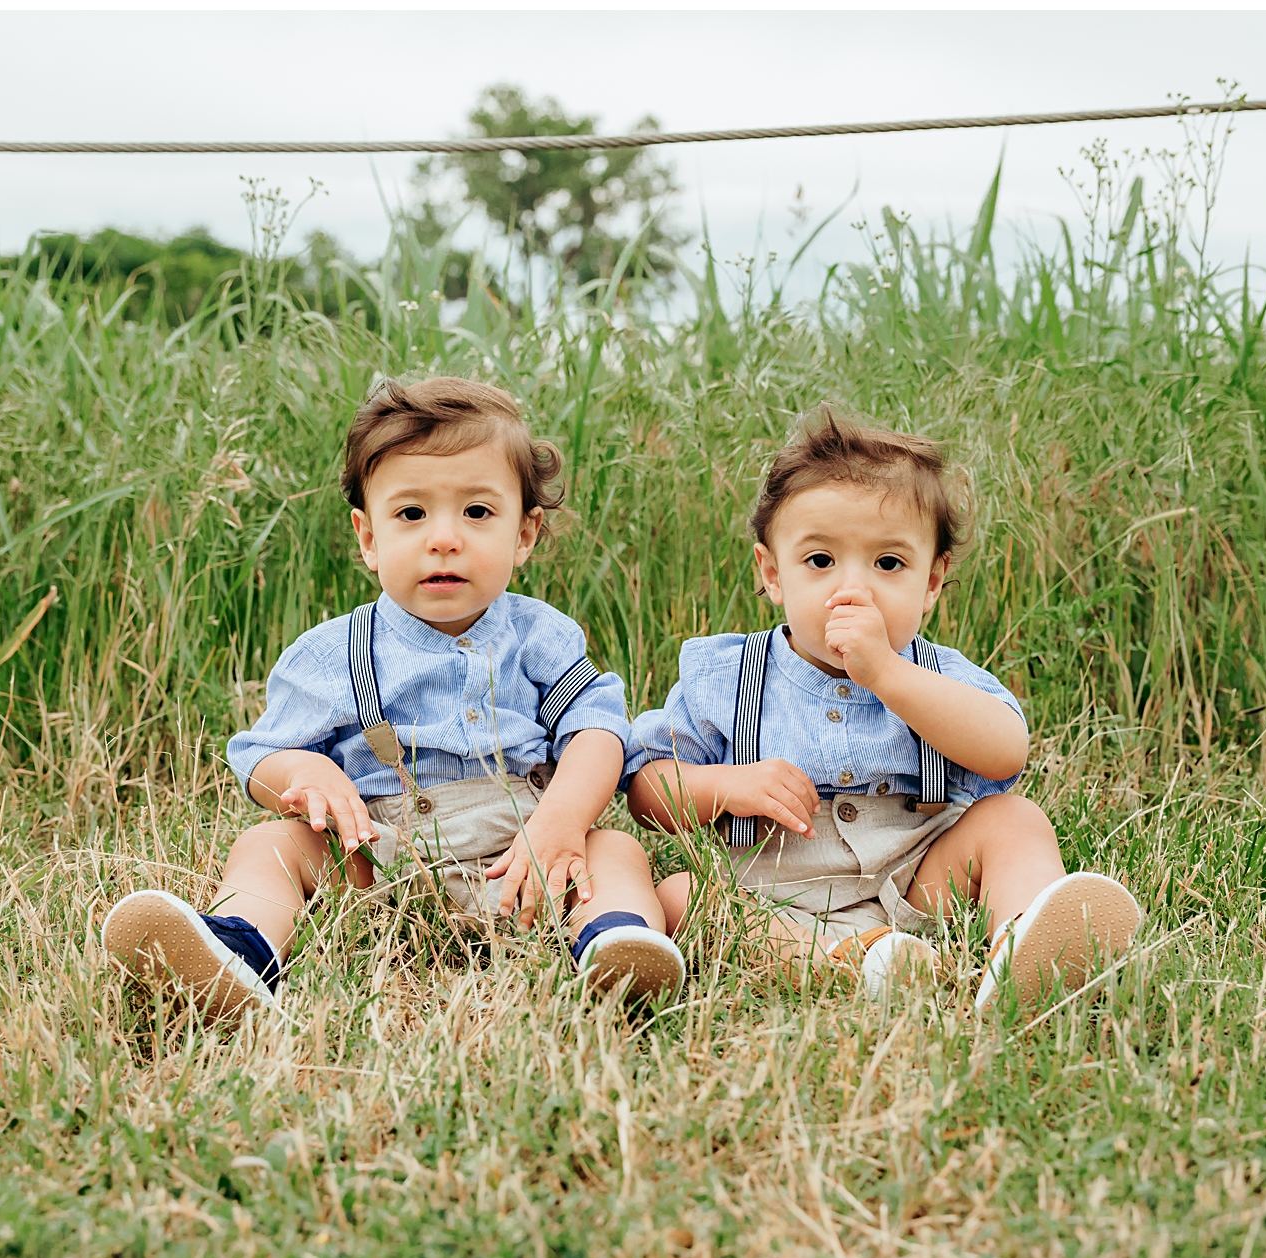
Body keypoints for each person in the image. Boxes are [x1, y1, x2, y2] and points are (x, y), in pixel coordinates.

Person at [104, 376, 683, 1017]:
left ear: (525, 532)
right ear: (369, 537)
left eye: (478, 512)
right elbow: (260, 757)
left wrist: (561, 822)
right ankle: (240, 948)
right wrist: (308, 772)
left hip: (522, 860)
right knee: (270, 845)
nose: (444, 538)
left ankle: (613, 946)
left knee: (614, 850)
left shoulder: (539, 637)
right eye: (412, 514)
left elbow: (597, 733)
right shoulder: (336, 652)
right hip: (378, 866)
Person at [624, 406, 1140, 1009]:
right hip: (772, 888)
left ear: (931, 583)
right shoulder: (728, 675)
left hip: (918, 878)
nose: (854, 590)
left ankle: (1025, 942)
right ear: (772, 574)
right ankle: (851, 964)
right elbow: (647, 793)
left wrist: (890, 674)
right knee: (682, 897)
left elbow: (1005, 753)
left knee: (1014, 820)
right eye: (820, 561)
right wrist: (726, 786)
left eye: (888, 563)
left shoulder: (936, 673)